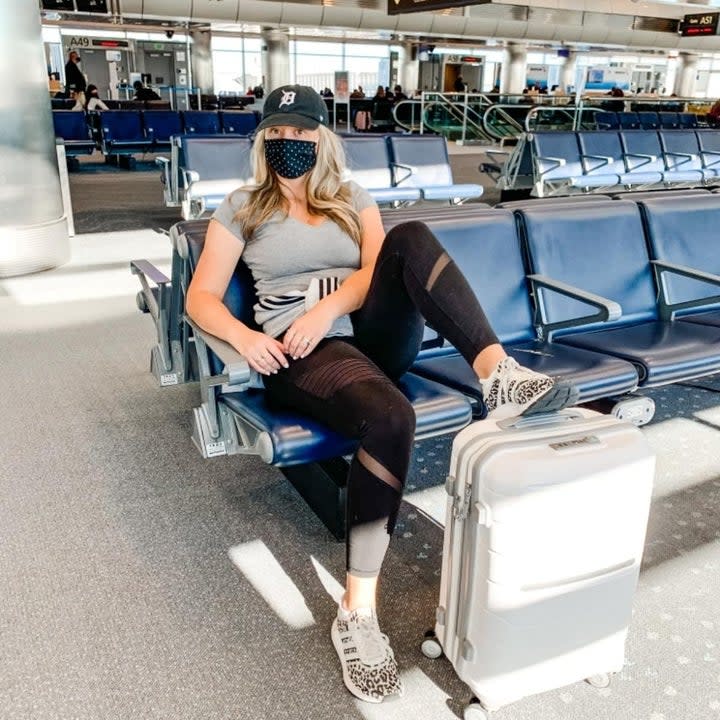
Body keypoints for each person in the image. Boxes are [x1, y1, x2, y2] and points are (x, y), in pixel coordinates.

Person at [185, 84, 576, 705]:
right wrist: (246, 334)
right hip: (302, 350)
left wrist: (328, 306)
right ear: (264, 140)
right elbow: (200, 297)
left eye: (301, 133)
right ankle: (357, 612)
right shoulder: (243, 207)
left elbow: (376, 270)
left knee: (413, 236)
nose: (290, 143)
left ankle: (497, 375)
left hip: (363, 330)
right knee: (391, 417)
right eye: (277, 134)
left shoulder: (351, 197)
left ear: (322, 136)